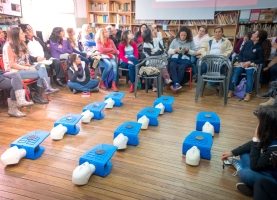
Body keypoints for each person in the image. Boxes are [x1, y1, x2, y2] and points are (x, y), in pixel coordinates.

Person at [221, 105, 277, 197]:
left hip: (273, 179)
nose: (257, 126)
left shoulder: (275, 148)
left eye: (259, 123)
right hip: (267, 166)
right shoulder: (273, 132)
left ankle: (241, 169)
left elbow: (255, 166)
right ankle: (252, 186)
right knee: (243, 153)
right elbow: (251, 145)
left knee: (245, 173)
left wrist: (256, 139)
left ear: (267, 126)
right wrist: (232, 152)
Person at [3, 26, 58, 104]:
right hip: (14, 72)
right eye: (22, 33)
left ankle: (43, 91)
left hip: (23, 68)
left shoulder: (21, 44)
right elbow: (11, 64)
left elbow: (21, 61)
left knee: (41, 66)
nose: (24, 35)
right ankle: (40, 94)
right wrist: (25, 67)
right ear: (16, 35)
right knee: (40, 74)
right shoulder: (8, 46)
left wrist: (27, 64)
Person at [228, 30, 270, 102]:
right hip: (242, 63)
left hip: (252, 65)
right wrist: (241, 62)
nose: (252, 34)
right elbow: (240, 54)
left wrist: (250, 62)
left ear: (257, 38)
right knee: (236, 71)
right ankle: (231, 90)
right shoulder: (247, 43)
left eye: (255, 34)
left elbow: (260, 60)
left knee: (249, 74)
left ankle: (248, 93)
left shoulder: (260, 48)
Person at [142, 28, 174, 92]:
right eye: (152, 31)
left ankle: (155, 85)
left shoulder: (156, 40)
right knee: (160, 64)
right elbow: (151, 55)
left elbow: (162, 50)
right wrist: (158, 50)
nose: (154, 32)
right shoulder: (145, 44)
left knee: (159, 66)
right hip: (150, 61)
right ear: (149, 35)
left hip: (158, 59)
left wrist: (155, 51)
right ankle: (167, 79)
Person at [168, 26, 196, 90]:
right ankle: (177, 84)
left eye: (184, 35)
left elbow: (194, 53)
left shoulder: (190, 41)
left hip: (185, 59)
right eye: (181, 35)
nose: (183, 37)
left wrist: (188, 50)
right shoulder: (175, 40)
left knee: (181, 67)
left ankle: (176, 84)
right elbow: (169, 51)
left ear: (187, 35)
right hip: (175, 58)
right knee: (172, 65)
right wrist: (175, 50)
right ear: (179, 34)